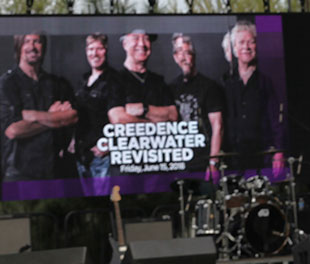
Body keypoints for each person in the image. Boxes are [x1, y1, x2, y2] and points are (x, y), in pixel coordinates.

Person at [0, 32, 77, 182]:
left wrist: (32, 116)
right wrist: (54, 118)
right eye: (27, 41)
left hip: (54, 170)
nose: (32, 46)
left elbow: (72, 117)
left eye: (37, 41)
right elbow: (13, 130)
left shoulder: (58, 84)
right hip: (19, 173)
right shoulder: (7, 83)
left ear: (44, 47)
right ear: (19, 46)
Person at [221, 21, 286, 174]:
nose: (247, 47)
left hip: (261, 155)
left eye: (251, 42)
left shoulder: (265, 82)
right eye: (241, 42)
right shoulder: (225, 81)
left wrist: (279, 151)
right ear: (234, 48)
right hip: (233, 157)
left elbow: (276, 119)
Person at [170, 33, 226, 180]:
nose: (184, 58)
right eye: (179, 52)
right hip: (180, 161)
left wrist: (213, 162)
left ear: (194, 56)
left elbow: (218, 126)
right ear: (175, 57)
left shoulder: (209, 87)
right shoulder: (170, 88)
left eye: (187, 52)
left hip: (204, 160)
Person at [71, 32, 122, 181]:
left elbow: (121, 118)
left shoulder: (115, 80)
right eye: (91, 49)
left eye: (99, 48)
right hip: (82, 155)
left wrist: (110, 145)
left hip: (102, 156)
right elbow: (78, 114)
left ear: (106, 50)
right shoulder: (83, 80)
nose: (95, 53)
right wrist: (73, 140)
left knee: (105, 195)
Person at [108, 28, 179, 123]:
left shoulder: (158, 81)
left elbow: (173, 114)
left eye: (146, 39)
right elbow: (117, 118)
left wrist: (144, 109)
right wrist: (154, 123)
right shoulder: (114, 79)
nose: (142, 44)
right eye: (136, 38)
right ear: (125, 44)